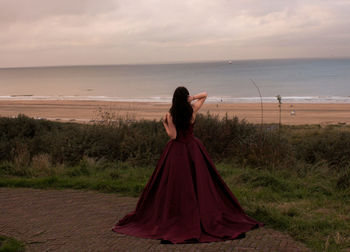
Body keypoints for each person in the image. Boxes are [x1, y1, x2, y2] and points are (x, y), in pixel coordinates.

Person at [112, 86, 263, 244]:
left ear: (174, 99)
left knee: (175, 184)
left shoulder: (170, 115)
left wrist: (164, 123)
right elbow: (205, 95)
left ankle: (177, 212)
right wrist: (192, 98)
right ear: (186, 97)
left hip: (177, 151)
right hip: (193, 148)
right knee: (200, 180)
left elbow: (173, 135)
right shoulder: (192, 111)